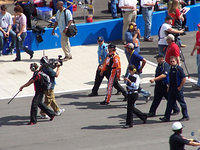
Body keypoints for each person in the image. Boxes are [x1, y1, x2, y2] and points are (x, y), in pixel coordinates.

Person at [160, 56, 189, 122]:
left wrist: (180, 87)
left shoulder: (179, 69)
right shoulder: (170, 68)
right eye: (171, 61)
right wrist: (168, 87)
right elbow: (170, 79)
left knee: (182, 103)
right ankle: (166, 117)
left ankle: (185, 116)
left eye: (173, 61)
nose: (172, 62)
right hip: (171, 89)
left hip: (177, 89)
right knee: (169, 103)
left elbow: (184, 78)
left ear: (176, 62)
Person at [191, 23, 200, 90]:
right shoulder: (197, 33)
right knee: (198, 69)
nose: (198, 28)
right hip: (198, 53)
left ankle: (199, 84)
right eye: (198, 27)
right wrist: (193, 51)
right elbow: (196, 43)